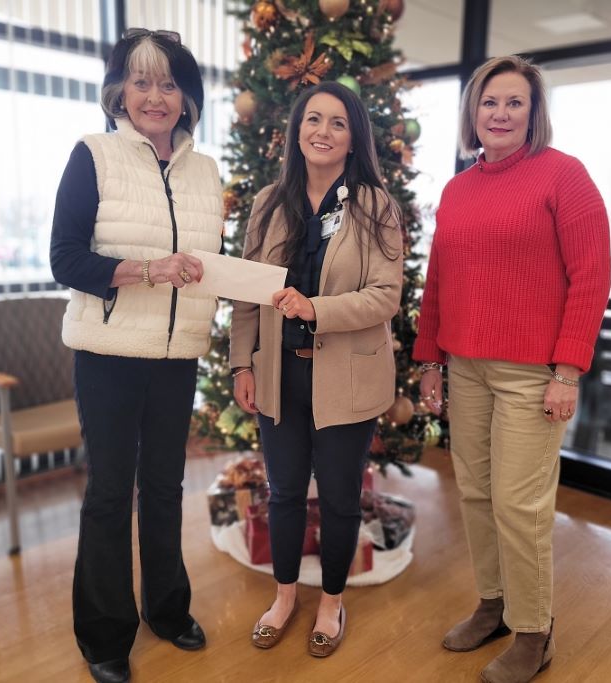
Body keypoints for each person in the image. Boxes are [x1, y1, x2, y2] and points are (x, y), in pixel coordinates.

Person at [414, 55, 611, 683]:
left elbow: (591, 278)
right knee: (475, 492)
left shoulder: (564, 177)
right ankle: (495, 605)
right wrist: (430, 361)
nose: (500, 113)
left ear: (534, 112)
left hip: (532, 374)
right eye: (489, 102)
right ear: (473, 111)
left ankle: (535, 633)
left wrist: (567, 371)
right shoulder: (457, 188)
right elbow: (439, 280)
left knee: (520, 505)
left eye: (514, 103)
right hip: (465, 366)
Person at [50, 28, 223, 683]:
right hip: (110, 353)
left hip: (178, 356)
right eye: (142, 80)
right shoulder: (91, 154)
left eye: (170, 83)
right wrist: (147, 271)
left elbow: (205, 266)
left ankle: (168, 609)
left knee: (166, 488)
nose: (156, 95)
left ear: (187, 97)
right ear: (119, 90)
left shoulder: (205, 170)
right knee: (108, 493)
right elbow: (64, 259)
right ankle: (103, 633)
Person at [229, 81, 403, 657]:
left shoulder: (376, 205)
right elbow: (248, 295)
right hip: (280, 375)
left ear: (353, 138)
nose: (322, 132)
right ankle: (284, 596)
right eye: (312, 120)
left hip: (347, 379)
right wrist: (240, 366)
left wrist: (315, 309)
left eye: (336, 123)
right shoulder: (267, 204)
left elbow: (385, 296)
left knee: (338, 499)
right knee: (281, 493)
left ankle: (331, 600)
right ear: (296, 130)